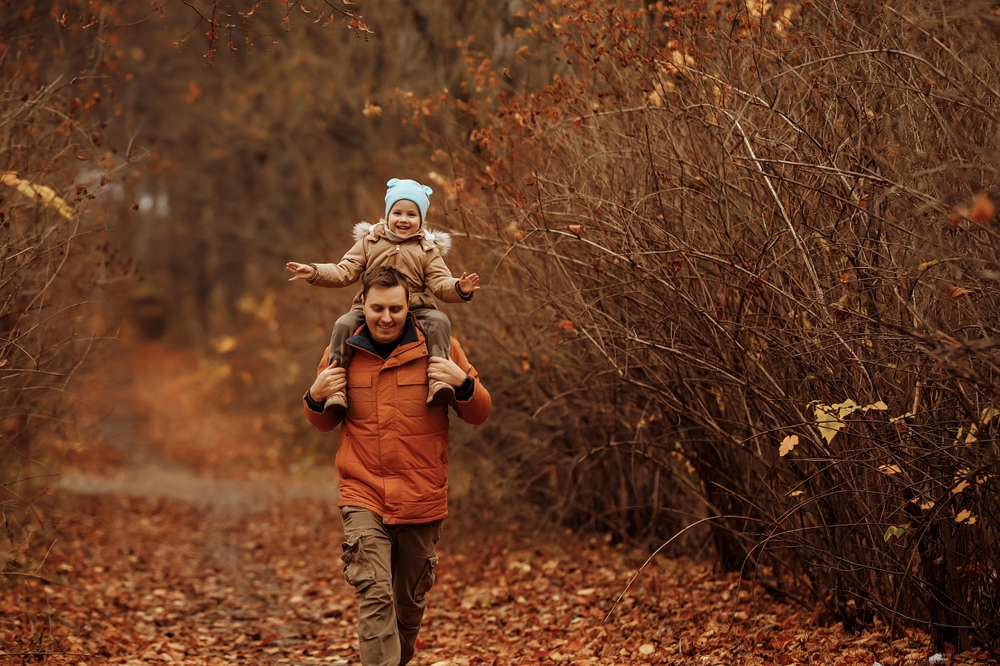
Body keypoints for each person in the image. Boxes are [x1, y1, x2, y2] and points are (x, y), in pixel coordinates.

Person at [302, 266, 491, 666]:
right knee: (374, 594)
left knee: (407, 607)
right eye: (376, 308)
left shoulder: (439, 347)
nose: (385, 318)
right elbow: (323, 421)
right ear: (363, 306)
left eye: (394, 308)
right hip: (363, 492)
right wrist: (315, 397)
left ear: (409, 307)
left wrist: (464, 384)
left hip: (422, 498)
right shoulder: (342, 351)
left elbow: (479, 413)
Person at [286, 178, 480, 411]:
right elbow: (344, 270)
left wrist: (459, 287)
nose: (404, 220)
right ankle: (336, 388)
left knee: (440, 321)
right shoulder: (370, 242)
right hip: (372, 305)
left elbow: (440, 283)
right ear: (387, 215)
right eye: (397, 212)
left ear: (421, 220)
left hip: (416, 305)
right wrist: (315, 272)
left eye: (412, 215)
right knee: (343, 324)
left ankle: (438, 380)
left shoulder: (426, 250)